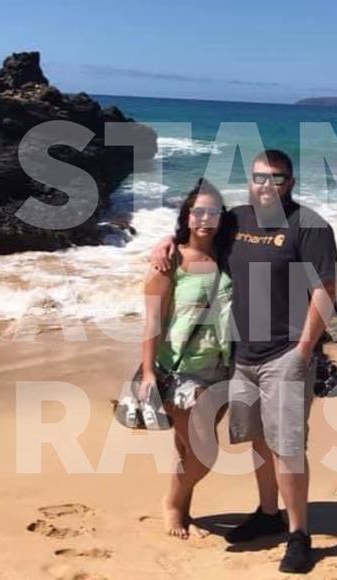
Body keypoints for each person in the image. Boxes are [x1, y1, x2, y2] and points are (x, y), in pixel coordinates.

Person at [152, 150, 337, 573]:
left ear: (290, 183)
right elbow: (196, 235)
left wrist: (304, 350)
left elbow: (325, 291)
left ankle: (299, 534)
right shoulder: (236, 220)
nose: (266, 185)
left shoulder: (309, 226)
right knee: (257, 440)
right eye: (258, 177)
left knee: (287, 447)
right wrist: (165, 242)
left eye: (277, 178)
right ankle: (268, 513)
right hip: (240, 356)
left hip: (285, 354)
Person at [140, 178, 233, 540]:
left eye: (214, 212)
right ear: (187, 216)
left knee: (188, 446)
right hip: (181, 371)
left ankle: (183, 510)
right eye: (198, 212)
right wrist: (148, 372)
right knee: (204, 450)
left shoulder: (228, 255)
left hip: (223, 366)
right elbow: (153, 319)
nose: (206, 219)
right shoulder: (170, 261)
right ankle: (172, 504)